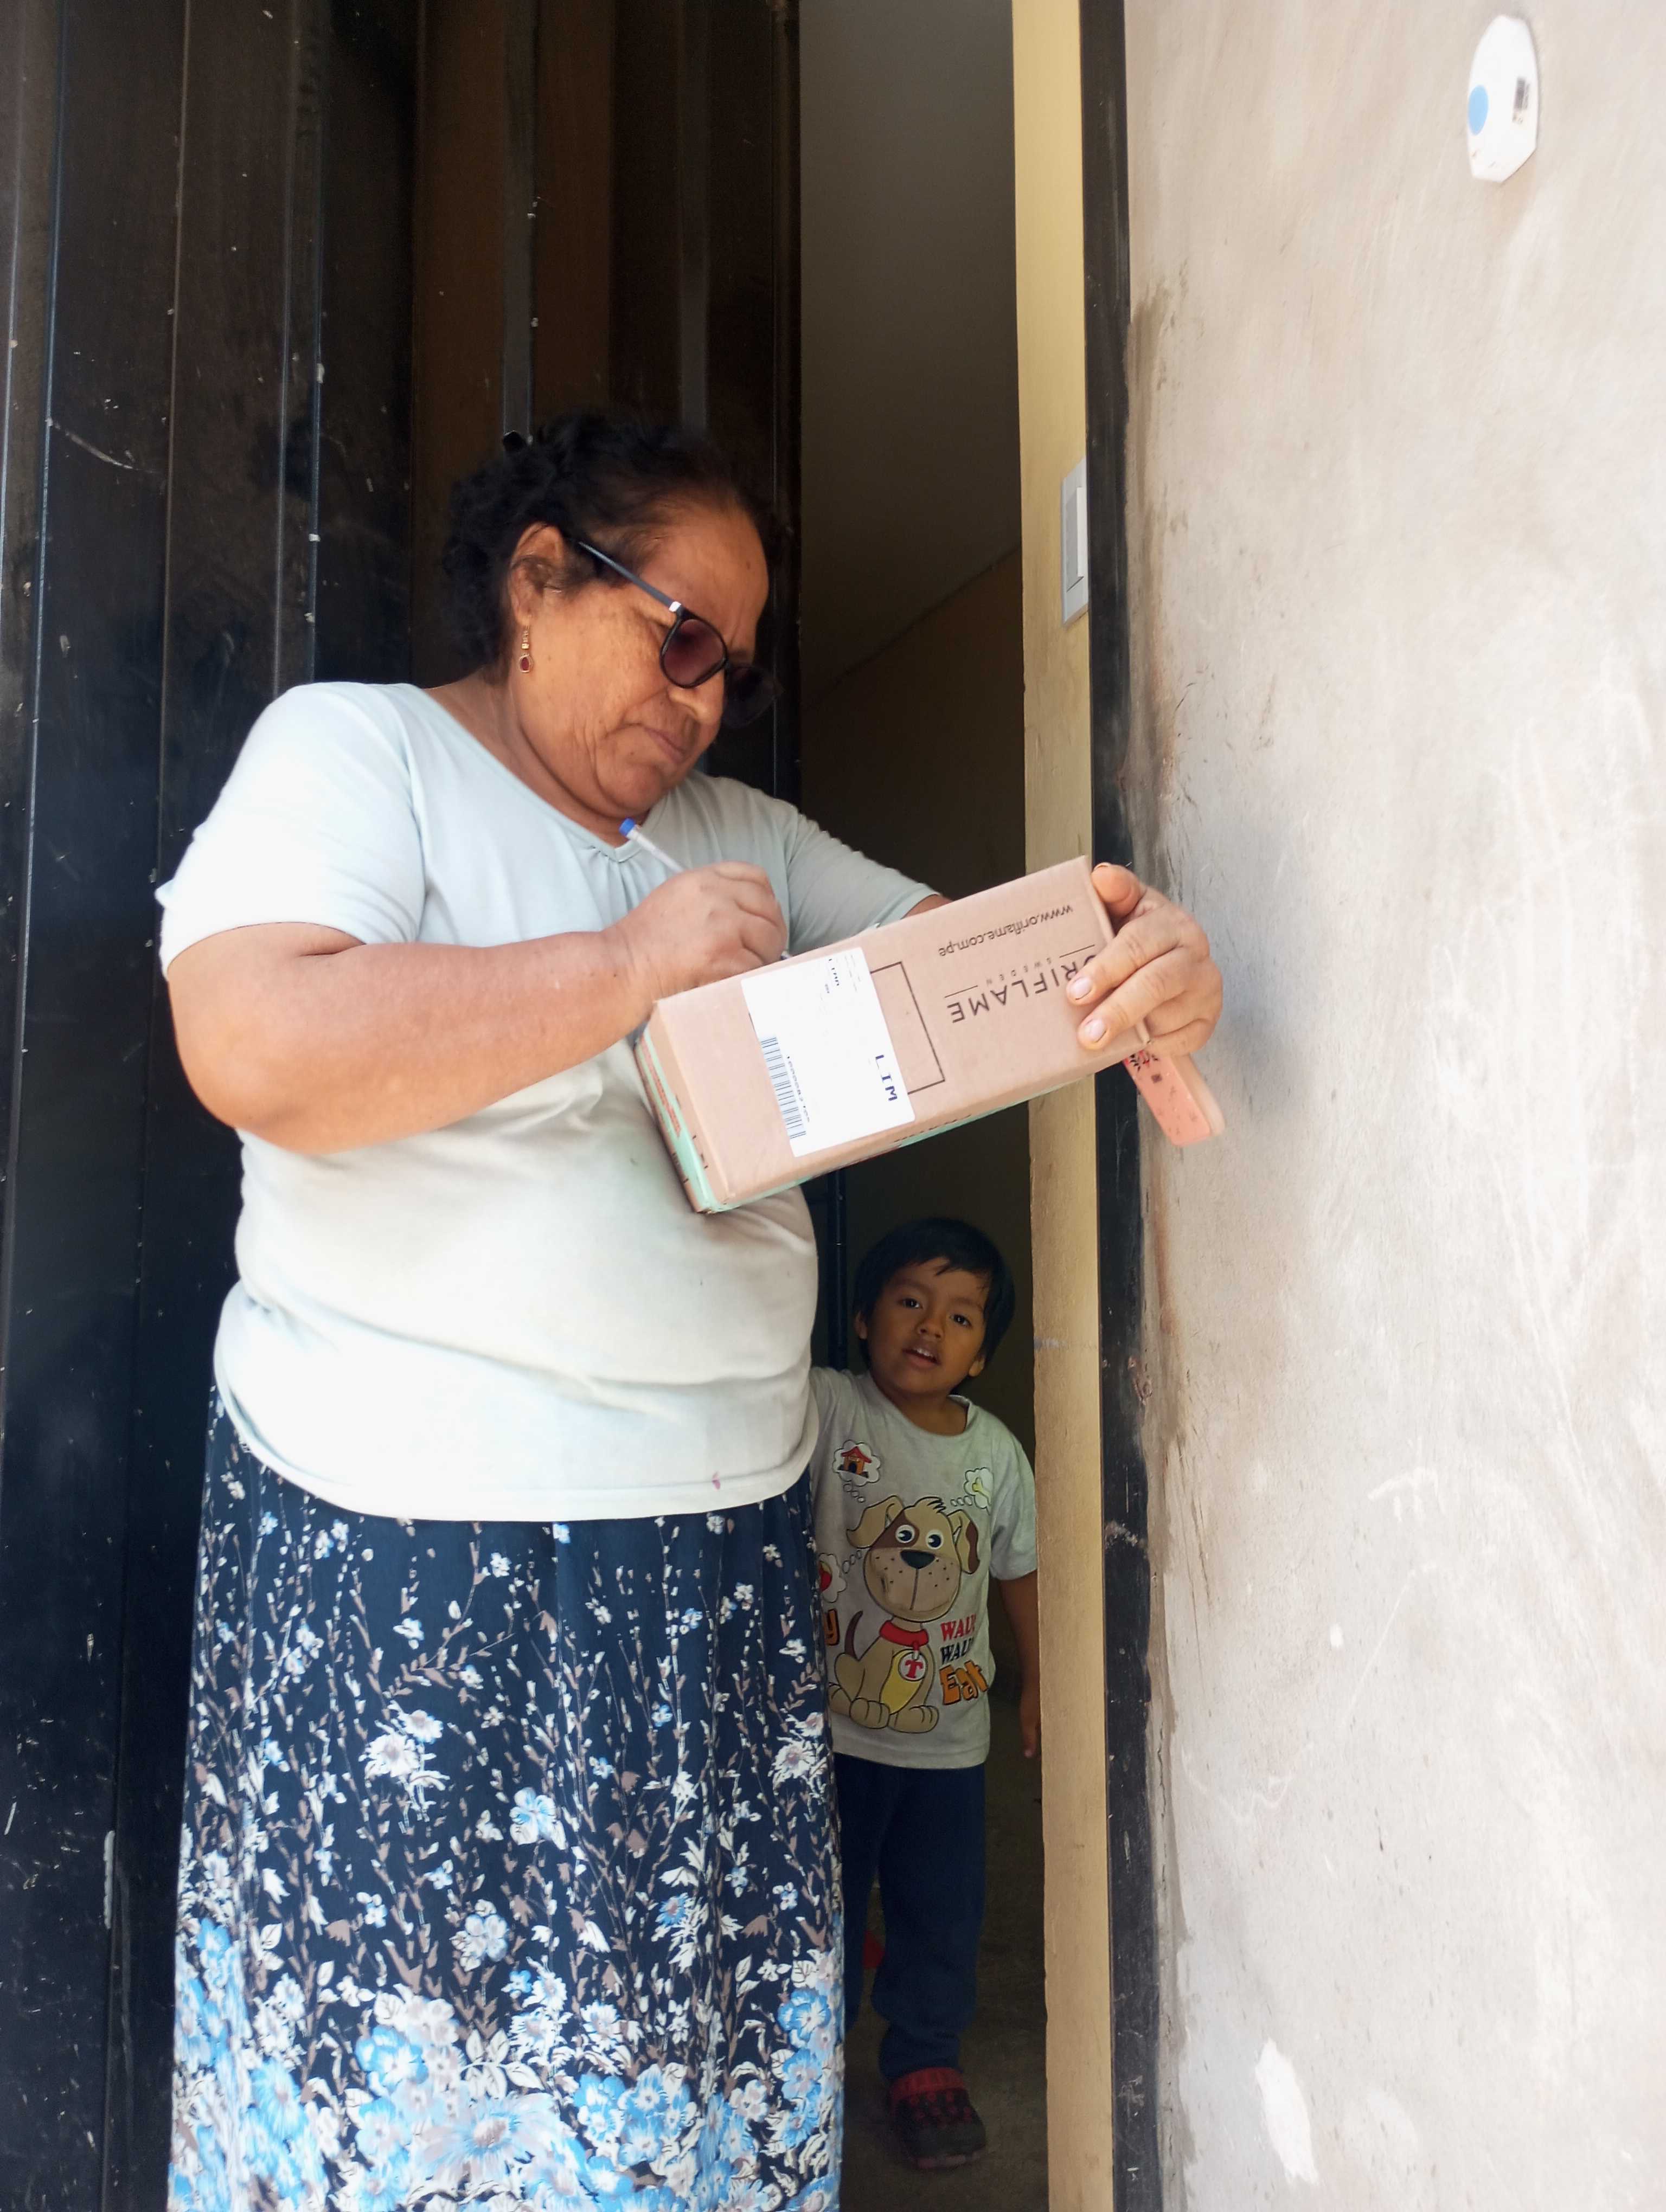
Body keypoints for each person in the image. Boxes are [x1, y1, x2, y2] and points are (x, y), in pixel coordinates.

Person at [157, 408, 1222, 2211]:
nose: (708, 699)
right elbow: (254, 1039)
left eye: (736, 666)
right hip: (417, 1569)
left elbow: (994, 973)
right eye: (680, 638)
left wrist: (1138, 972)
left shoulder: (737, 835)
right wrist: (625, 967)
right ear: (538, 580)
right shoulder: (363, 755)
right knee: (418, 2079)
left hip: (711, 1568)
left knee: (678, 2071)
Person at [808, 1220, 1036, 2172]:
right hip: (828, 1737)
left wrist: (1042, 1683)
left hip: (949, 1740)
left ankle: (925, 2058)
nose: (930, 1326)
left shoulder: (998, 1456)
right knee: (821, 1905)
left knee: (940, 1909)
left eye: (961, 1316)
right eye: (909, 1300)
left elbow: (1019, 1571)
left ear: (980, 1356)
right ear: (864, 1317)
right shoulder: (831, 1410)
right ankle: (808, 2059)